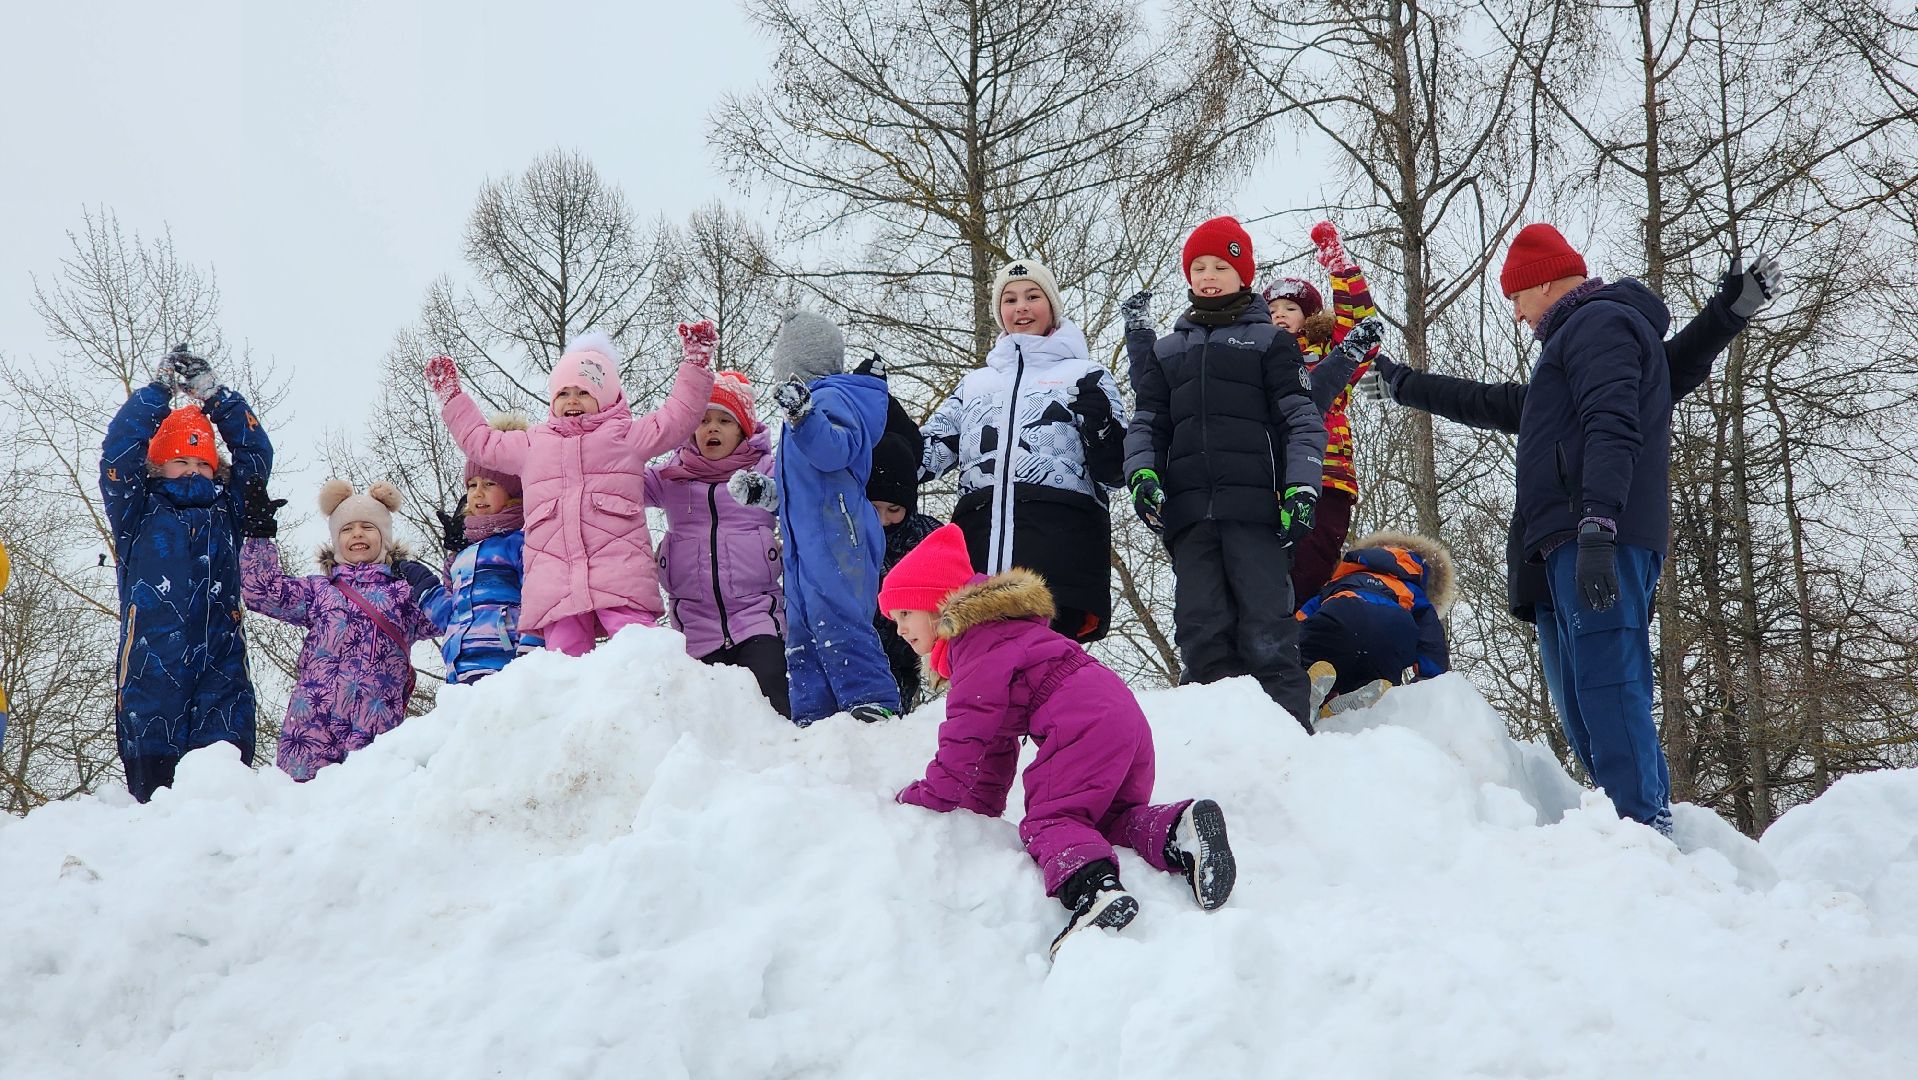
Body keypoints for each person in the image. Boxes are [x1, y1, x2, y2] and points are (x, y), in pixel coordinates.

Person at [1360, 252, 1780, 787]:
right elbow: (1496, 402)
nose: (1516, 313)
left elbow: (1612, 422)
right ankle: (1625, 818)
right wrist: (1403, 384)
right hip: (1559, 545)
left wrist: (1598, 528)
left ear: (1545, 284)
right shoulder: (1575, 346)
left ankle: (1642, 822)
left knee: (1608, 693)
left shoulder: (1598, 323)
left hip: (1593, 535)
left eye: (1517, 297)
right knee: (1583, 708)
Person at [883, 524, 1238, 957]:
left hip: (1080, 721)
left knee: (1050, 820)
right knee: (1103, 818)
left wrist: (931, 796)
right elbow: (993, 746)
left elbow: (967, 735)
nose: (899, 628)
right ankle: (1176, 830)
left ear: (937, 602)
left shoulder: (975, 643)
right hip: (1119, 713)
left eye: (905, 613)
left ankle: (1093, 889)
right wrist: (978, 815)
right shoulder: (1003, 632)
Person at [1122, 216, 1328, 728]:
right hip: (1190, 512)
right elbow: (1148, 422)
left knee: (1266, 627)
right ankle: (1212, 742)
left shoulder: (1270, 343)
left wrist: (1302, 488)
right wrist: (1142, 475)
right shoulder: (1167, 351)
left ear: (1243, 274)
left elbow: (1302, 420)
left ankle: (1289, 739)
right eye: (1199, 267)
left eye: (1220, 266)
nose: (1209, 276)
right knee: (1201, 627)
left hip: (1256, 511)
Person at [426, 325, 715, 655]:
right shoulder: (534, 445)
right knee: (563, 662)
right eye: (563, 393)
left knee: (641, 650)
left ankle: (661, 683)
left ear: (605, 397)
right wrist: (452, 397)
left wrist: (695, 363)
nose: (572, 400)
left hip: (619, 570)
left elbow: (677, 418)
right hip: (556, 579)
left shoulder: (625, 437)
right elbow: (481, 442)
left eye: (583, 392)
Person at [920, 259, 1129, 641]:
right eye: (1010, 299)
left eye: (1033, 296)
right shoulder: (975, 384)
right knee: (981, 663)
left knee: (1047, 660)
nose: (1021, 308)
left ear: (1052, 306)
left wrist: (1101, 426)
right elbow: (925, 457)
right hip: (978, 544)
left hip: (1059, 545)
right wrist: (879, 427)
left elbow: (1117, 471)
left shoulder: (1086, 374)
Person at [99, 344, 272, 801]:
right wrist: (158, 392)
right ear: (158, 464)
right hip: (152, 673)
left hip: (222, 669)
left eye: (202, 463)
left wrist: (214, 397)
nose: (193, 471)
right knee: (155, 802)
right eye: (181, 461)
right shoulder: (136, 510)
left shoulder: (229, 510)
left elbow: (256, 454)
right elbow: (118, 453)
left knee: (224, 794)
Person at [743, 310, 898, 726]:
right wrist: (766, 494)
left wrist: (805, 417)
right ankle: (813, 714)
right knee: (803, 630)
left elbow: (835, 451)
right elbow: (803, 490)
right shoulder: (802, 412)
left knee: (840, 617)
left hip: (838, 535)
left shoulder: (831, 399)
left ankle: (872, 701)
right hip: (804, 544)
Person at [241, 480, 443, 781]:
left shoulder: (403, 594)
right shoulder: (319, 590)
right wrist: (259, 536)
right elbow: (262, 592)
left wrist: (458, 556)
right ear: (337, 540)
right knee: (299, 802)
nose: (357, 534)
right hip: (312, 724)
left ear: (384, 537)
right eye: (347, 529)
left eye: (367, 527)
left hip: (375, 724)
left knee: (366, 800)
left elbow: (447, 615)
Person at [646, 369, 791, 718]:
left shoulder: (765, 471)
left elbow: (799, 499)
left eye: (724, 421)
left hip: (757, 616)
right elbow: (620, 480)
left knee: (771, 697)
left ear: (743, 429)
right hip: (694, 626)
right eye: (703, 420)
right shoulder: (672, 477)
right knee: (706, 718)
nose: (712, 428)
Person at [1261, 220, 1388, 598]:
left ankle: (1305, 627)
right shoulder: (1256, 360)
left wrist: (1338, 265)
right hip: (1270, 481)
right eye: (1272, 310)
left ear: (1311, 317)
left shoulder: (1325, 353)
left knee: (1311, 570)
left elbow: (1360, 325)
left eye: (1290, 308)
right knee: (1270, 576)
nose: (1280, 315)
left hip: (1327, 479)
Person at [420, 413, 543, 684]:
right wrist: (425, 589)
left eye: (489, 484)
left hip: (507, 665)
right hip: (460, 670)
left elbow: (538, 595)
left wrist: (532, 648)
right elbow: (450, 614)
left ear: (514, 492)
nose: (477, 493)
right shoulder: (461, 556)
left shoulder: (520, 542)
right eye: (472, 485)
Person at [859, 355, 943, 709]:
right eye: (874, 508)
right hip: (858, 651)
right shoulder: (850, 535)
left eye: (894, 510)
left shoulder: (926, 537)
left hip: (908, 655)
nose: (883, 520)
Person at [1297, 530, 1454, 717]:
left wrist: (1289, 651)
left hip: (1340, 616)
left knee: (1318, 655)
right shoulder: (1412, 590)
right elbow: (1431, 638)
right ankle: (1358, 706)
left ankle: (1306, 686)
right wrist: (1428, 679)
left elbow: (1303, 617)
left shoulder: (1343, 580)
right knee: (1375, 669)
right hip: (1390, 632)